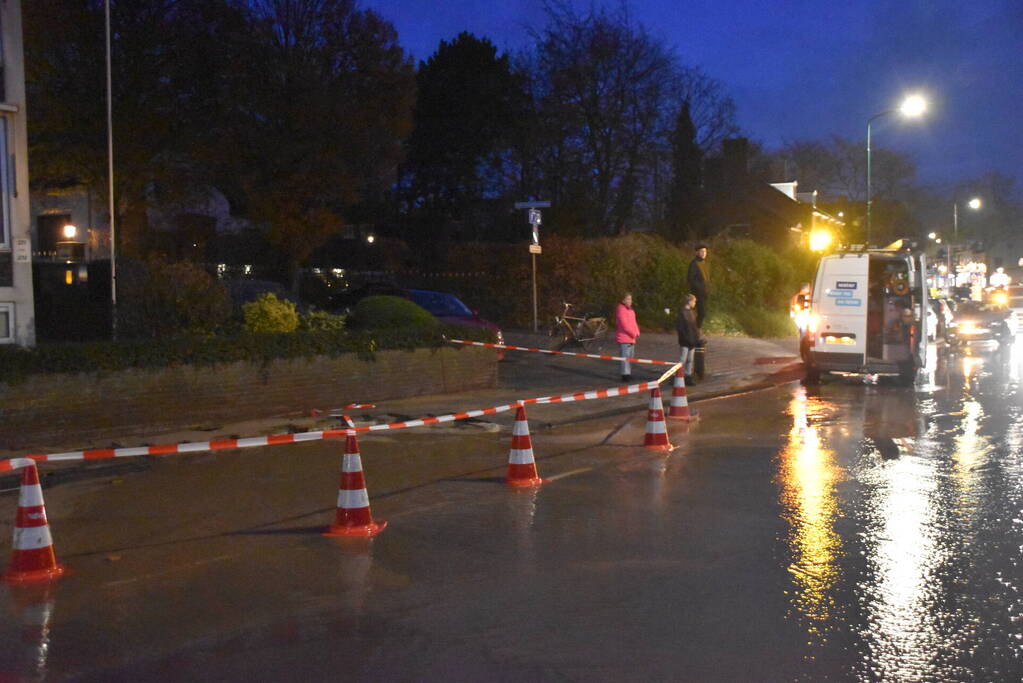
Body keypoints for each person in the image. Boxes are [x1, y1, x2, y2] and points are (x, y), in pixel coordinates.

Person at [614, 292, 640, 382]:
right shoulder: (621, 310)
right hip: (624, 337)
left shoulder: (631, 310)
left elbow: (634, 322)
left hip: (631, 337)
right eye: (628, 299)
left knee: (630, 356)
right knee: (625, 356)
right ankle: (625, 375)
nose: (630, 301)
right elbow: (624, 324)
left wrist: (637, 331)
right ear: (623, 300)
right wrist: (633, 333)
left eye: (631, 299)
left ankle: (628, 373)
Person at [676, 294, 700, 383]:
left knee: (690, 359)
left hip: (692, 339)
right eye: (694, 301)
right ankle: (679, 376)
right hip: (685, 340)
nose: (695, 303)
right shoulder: (682, 313)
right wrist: (685, 338)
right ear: (689, 301)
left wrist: (696, 337)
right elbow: (680, 327)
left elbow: (694, 327)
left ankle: (688, 375)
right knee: (683, 359)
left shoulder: (692, 313)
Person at [687, 244, 709, 327]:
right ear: (697, 252)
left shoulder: (705, 263)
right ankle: (695, 330)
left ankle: (694, 331)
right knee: (701, 313)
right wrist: (699, 288)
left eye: (705, 251)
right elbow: (690, 279)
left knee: (701, 313)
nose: (704, 253)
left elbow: (706, 278)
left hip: (703, 293)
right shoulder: (694, 264)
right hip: (697, 293)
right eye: (702, 251)